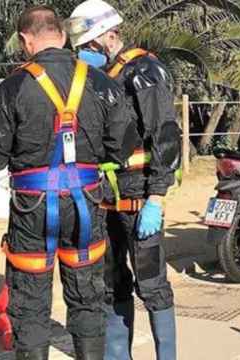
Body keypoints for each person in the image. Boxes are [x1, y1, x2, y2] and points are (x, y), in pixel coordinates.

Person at [0, 5, 136, 359]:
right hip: (86, 206)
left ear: (25, 40)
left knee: (30, 304)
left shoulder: (12, 86)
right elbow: (124, 146)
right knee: (87, 299)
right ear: (63, 36)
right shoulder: (100, 82)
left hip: (32, 210)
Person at [66, 1, 181, 358]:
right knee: (111, 283)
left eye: (87, 46)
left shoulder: (144, 70)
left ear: (105, 35)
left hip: (139, 198)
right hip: (105, 199)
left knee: (152, 284)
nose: (85, 53)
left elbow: (163, 134)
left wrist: (157, 199)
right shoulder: (105, 77)